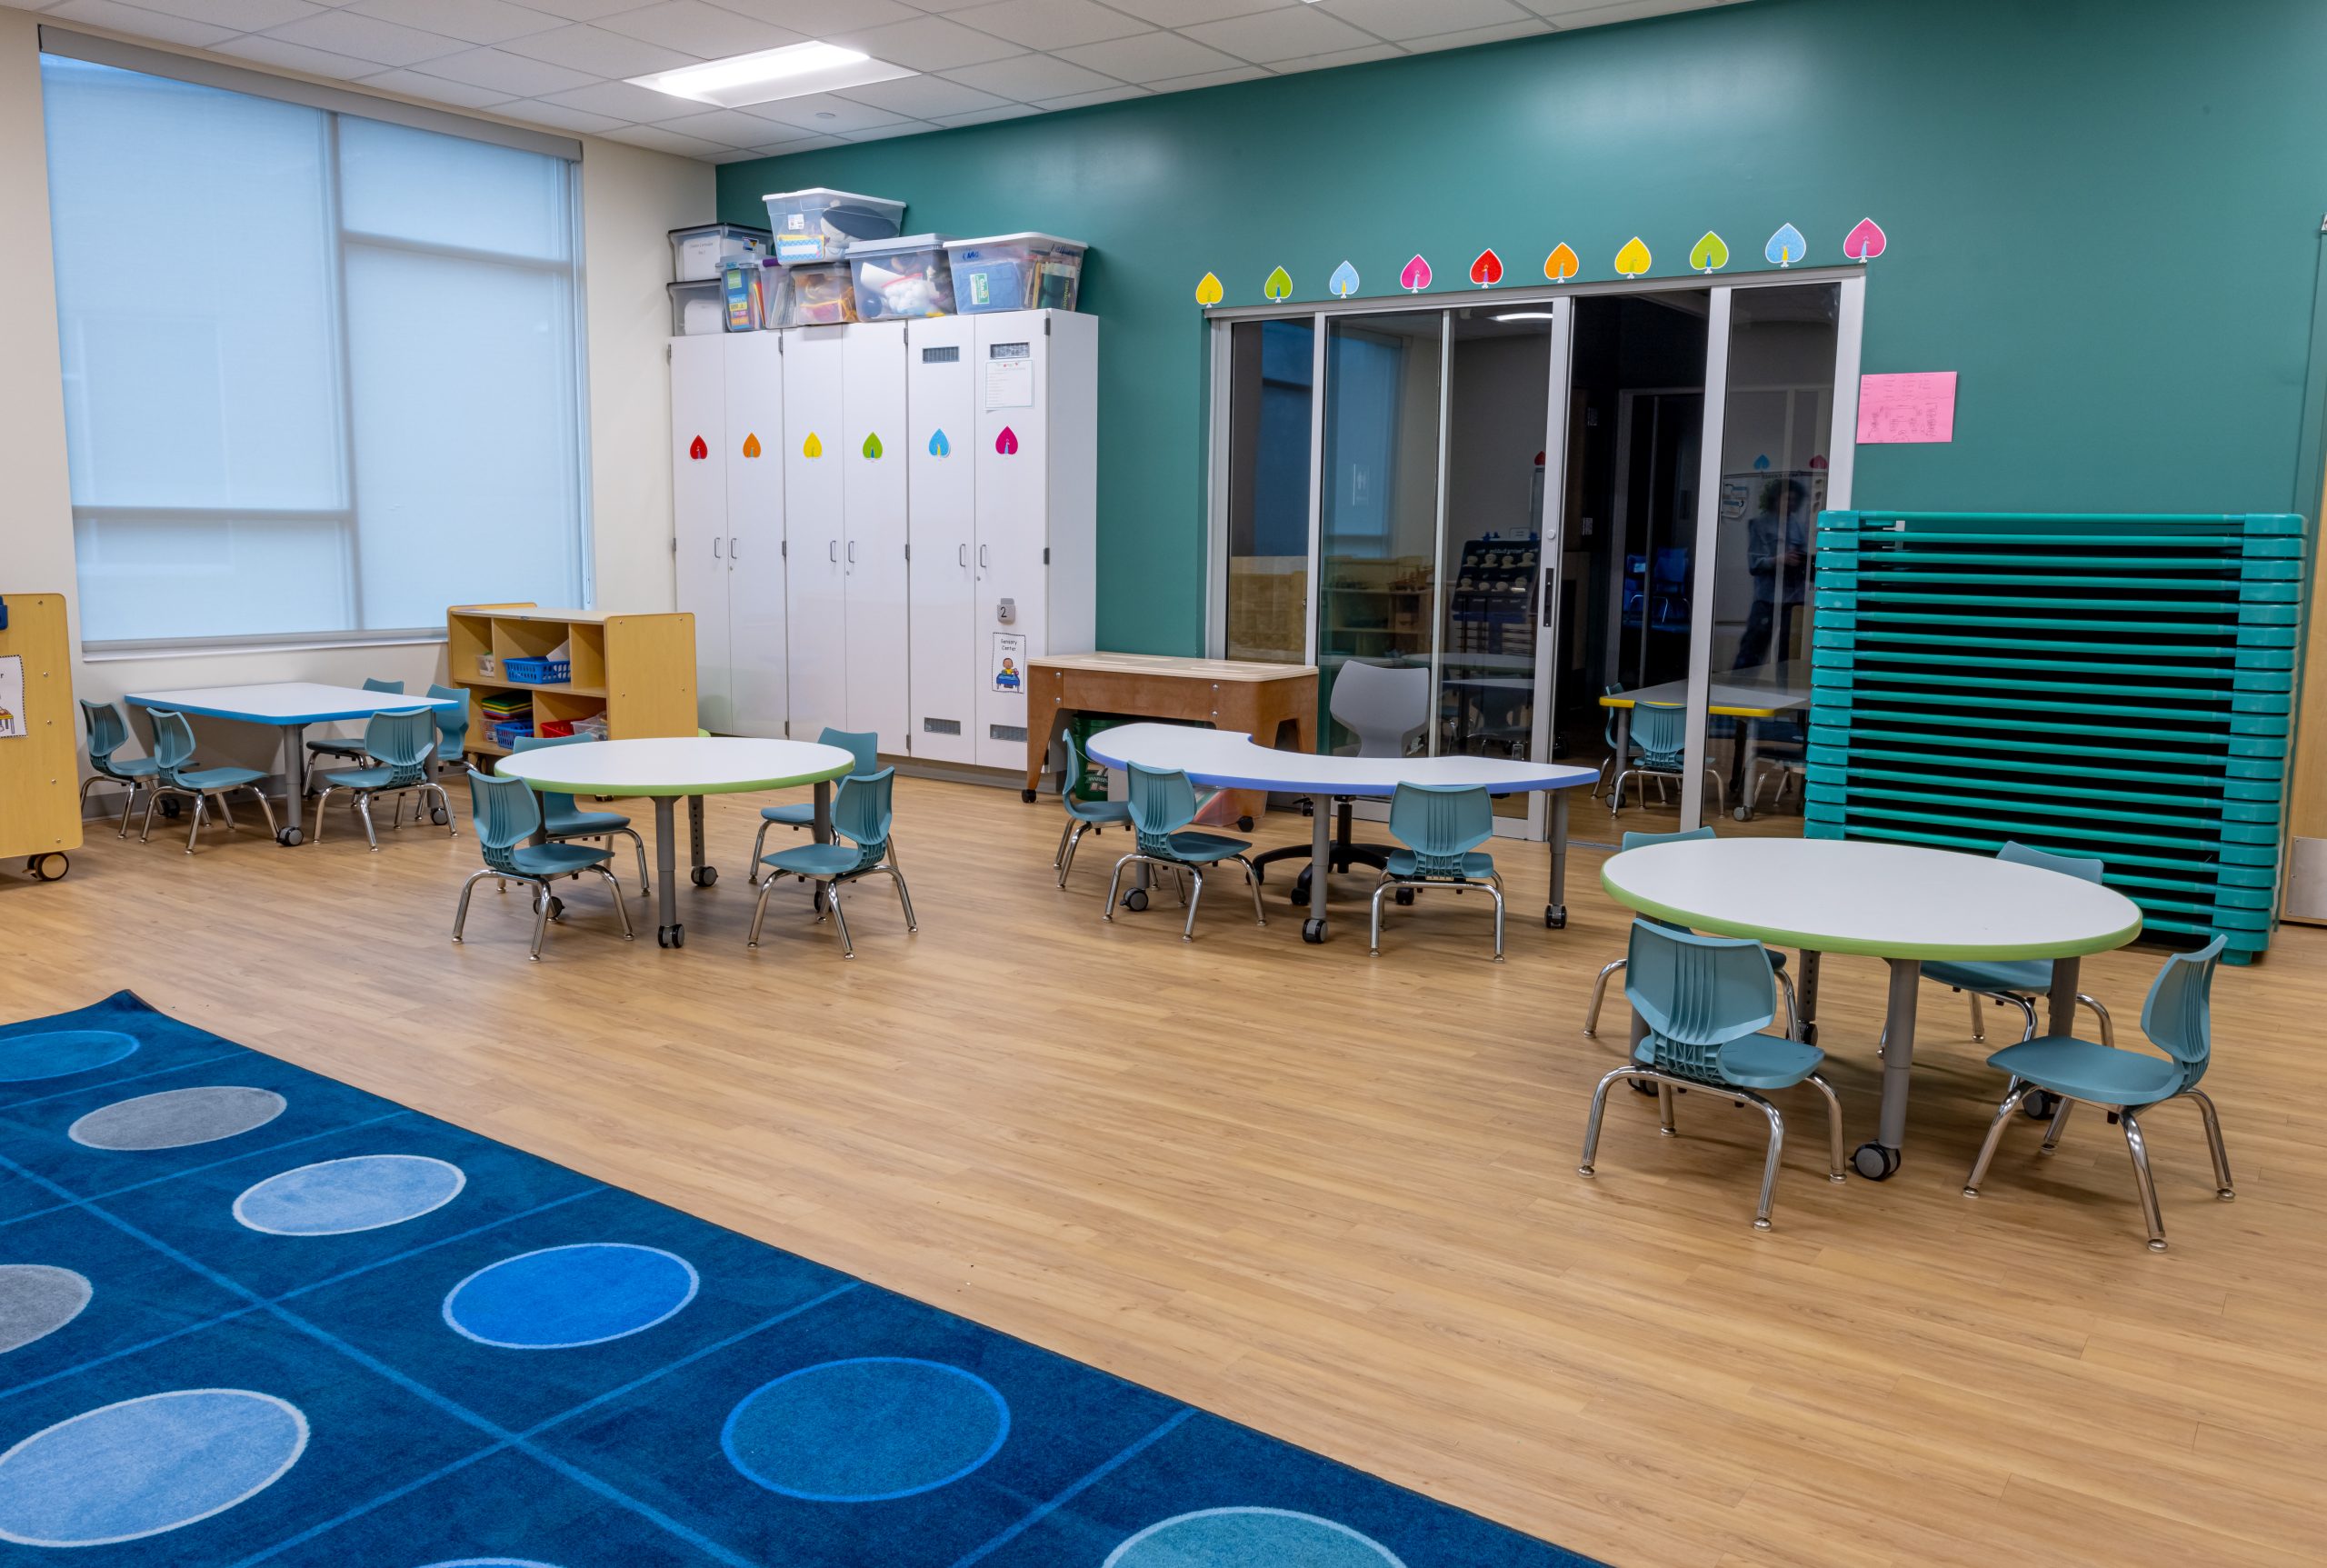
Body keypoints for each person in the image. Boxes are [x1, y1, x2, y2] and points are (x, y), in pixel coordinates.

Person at [1735, 476, 1810, 672]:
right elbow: (1754, 564)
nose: (1791, 504)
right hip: (1767, 598)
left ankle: (1784, 693)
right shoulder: (1759, 525)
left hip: (1794, 598)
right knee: (1753, 648)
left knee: (1788, 653)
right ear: (1775, 499)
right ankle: (1738, 689)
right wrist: (1779, 559)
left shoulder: (1798, 525)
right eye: (1787, 499)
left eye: (1794, 500)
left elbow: (1803, 558)